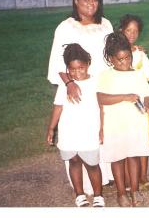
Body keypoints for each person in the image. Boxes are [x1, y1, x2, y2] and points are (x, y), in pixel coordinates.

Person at [47, 0, 114, 194]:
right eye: (85, 0)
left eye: (94, 0)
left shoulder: (106, 24)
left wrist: (134, 49)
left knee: (100, 132)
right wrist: (69, 84)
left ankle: (105, 177)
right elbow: (58, 63)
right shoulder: (66, 27)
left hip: (102, 87)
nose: (90, 4)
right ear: (76, 1)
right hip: (76, 89)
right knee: (78, 134)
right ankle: (83, 187)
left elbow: (113, 53)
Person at [97, 32, 149, 207]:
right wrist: (124, 96)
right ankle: (121, 193)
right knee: (118, 158)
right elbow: (101, 98)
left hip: (134, 124)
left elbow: (147, 94)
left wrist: (148, 104)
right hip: (115, 124)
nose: (124, 63)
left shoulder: (137, 74)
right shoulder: (107, 75)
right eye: (120, 59)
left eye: (127, 58)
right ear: (111, 59)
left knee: (134, 156)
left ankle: (135, 190)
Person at [46, 43, 105, 207]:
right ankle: (79, 194)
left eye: (81, 68)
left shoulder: (96, 83)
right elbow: (58, 107)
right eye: (72, 69)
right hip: (69, 131)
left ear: (88, 65)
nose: (77, 73)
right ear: (67, 69)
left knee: (92, 164)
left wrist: (102, 128)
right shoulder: (65, 87)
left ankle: (98, 195)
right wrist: (51, 128)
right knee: (73, 162)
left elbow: (102, 107)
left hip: (89, 131)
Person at [119, 14, 149, 192]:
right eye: (128, 30)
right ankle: (127, 179)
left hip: (140, 104)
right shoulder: (113, 55)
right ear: (121, 31)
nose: (132, 34)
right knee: (125, 141)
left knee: (143, 141)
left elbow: (146, 84)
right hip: (121, 104)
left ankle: (143, 176)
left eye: (136, 31)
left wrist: (148, 105)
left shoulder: (140, 55)